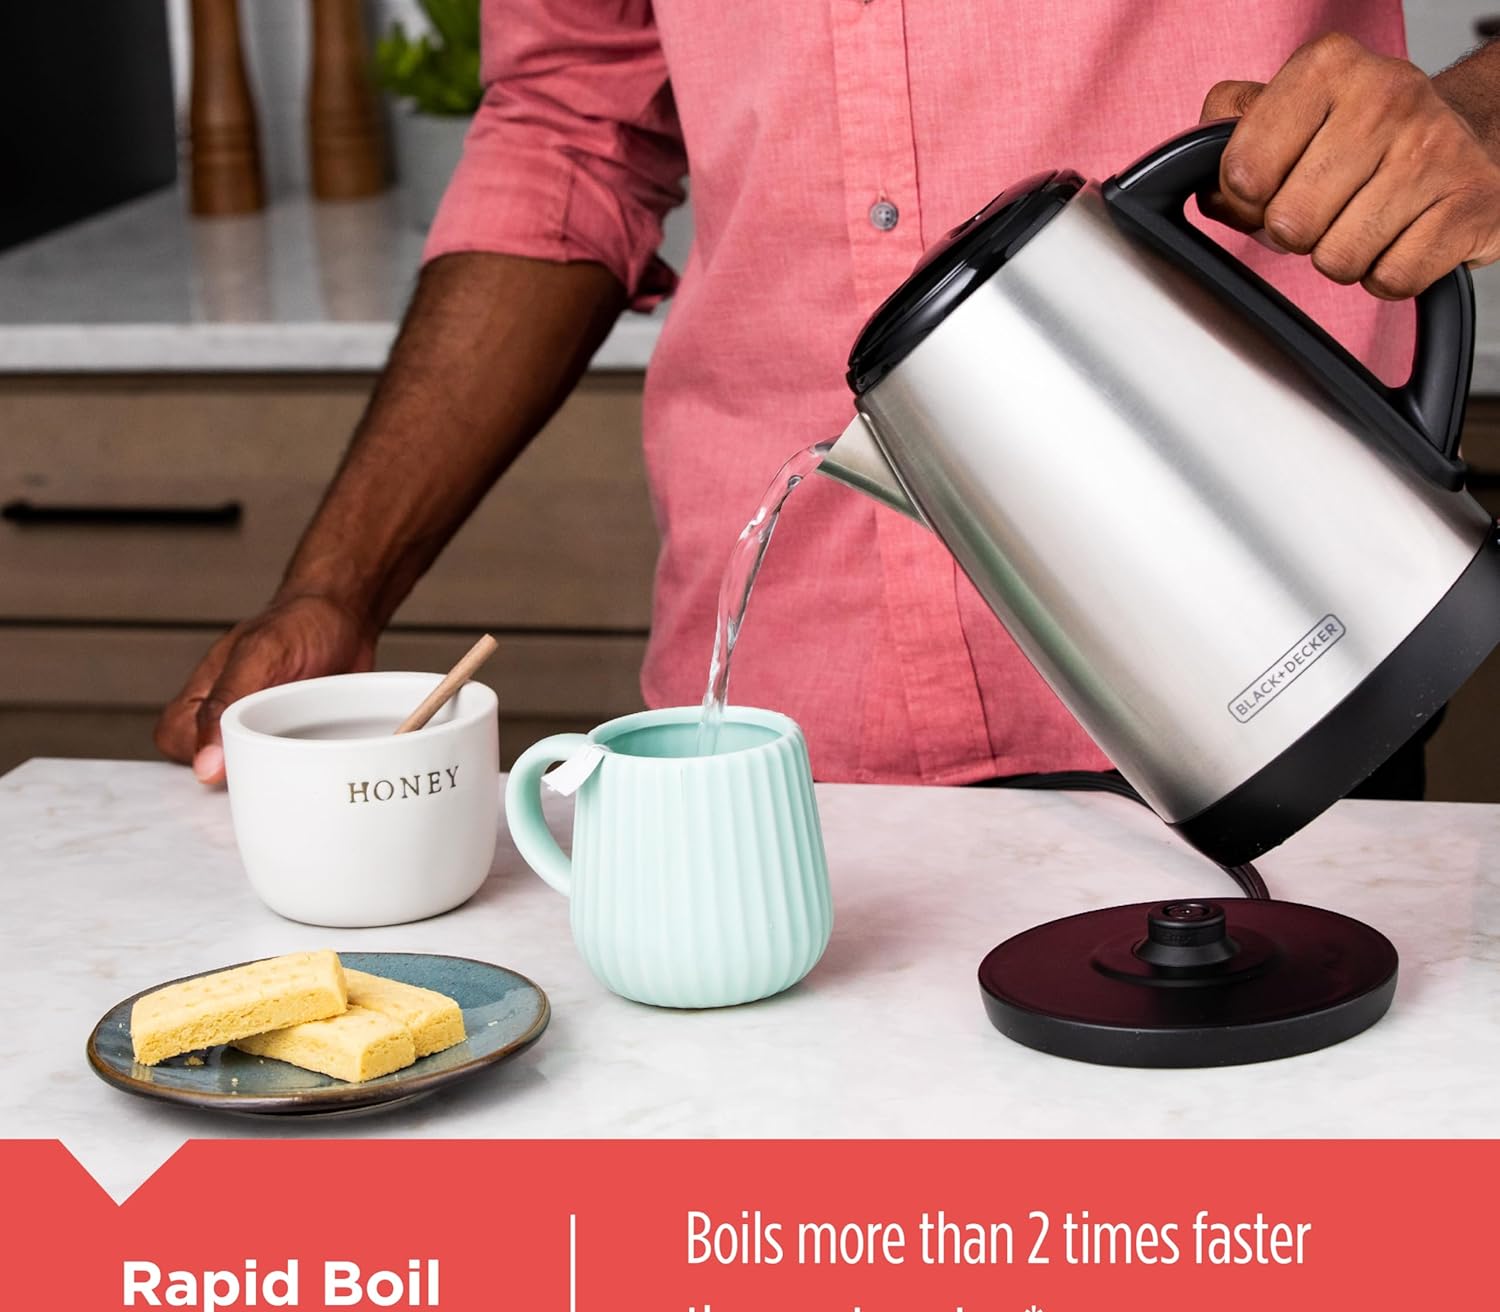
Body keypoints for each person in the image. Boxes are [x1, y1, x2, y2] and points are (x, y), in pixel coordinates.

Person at [156, 4, 1500, 798]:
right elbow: (574, 122)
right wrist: (338, 584)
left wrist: (1477, 120)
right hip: (784, 722)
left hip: (1272, 634)